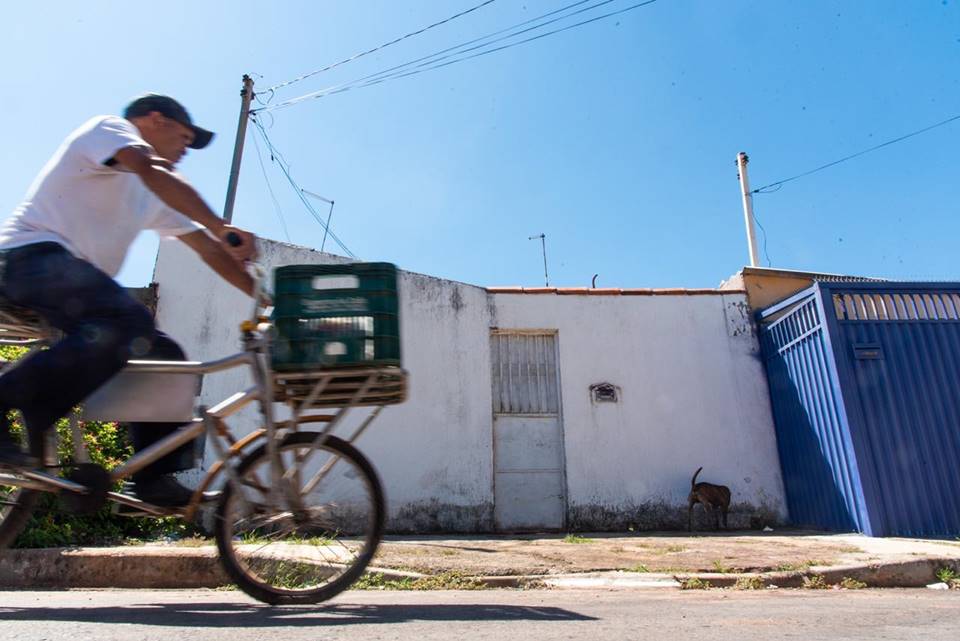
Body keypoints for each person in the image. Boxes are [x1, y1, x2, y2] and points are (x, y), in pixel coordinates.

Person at [0, 93, 257, 506]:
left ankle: (152, 477)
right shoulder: (108, 131)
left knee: (168, 357)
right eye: (184, 137)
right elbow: (150, 167)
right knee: (128, 323)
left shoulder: (151, 194)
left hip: (69, 286)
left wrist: (264, 297)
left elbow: (208, 251)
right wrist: (221, 225)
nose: (185, 151)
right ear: (154, 120)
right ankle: (12, 398)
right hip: (28, 258)